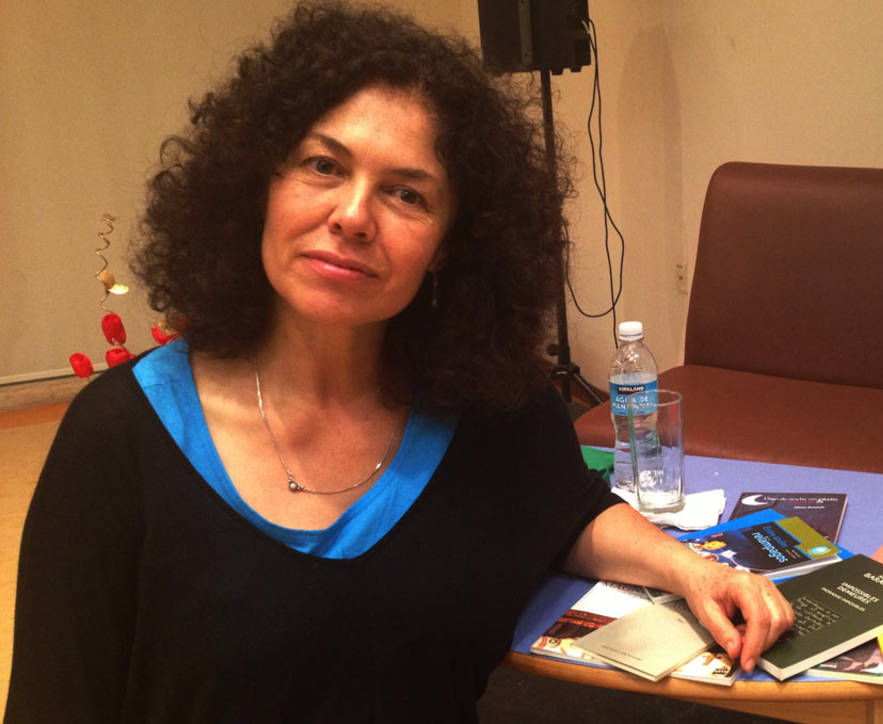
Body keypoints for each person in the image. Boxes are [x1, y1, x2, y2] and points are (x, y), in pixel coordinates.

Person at [4, 3, 792, 722]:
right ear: (260, 184)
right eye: (323, 166)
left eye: (407, 194)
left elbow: (571, 509)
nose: (353, 216)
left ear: (449, 244)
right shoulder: (120, 437)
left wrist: (695, 571)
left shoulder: (490, 406)